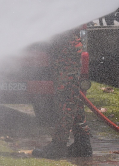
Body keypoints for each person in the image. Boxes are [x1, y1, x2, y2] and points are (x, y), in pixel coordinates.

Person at [32, 26, 92, 158]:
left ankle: (58, 146)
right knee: (72, 94)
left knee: (65, 98)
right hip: (64, 46)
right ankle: (82, 143)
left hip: (65, 48)